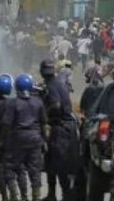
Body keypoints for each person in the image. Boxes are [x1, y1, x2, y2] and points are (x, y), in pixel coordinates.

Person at [3, 74, 49, 201]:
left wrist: (4, 141)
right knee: (35, 171)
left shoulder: (12, 103)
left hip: (17, 140)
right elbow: (44, 123)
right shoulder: (38, 102)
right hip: (35, 140)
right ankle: (36, 196)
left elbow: (7, 124)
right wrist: (45, 140)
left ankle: (17, 196)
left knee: (14, 168)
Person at [39, 59, 80, 201]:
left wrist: (44, 112)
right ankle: (52, 194)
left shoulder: (51, 85)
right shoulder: (59, 83)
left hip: (59, 128)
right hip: (65, 127)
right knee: (51, 162)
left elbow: (56, 105)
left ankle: (66, 195)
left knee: (59, 164)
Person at [0, 74, 29, 201]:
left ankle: (5, 196)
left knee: (1, 172)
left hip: (0, 143)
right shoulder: (15, 103)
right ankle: (24, 196)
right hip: (16, 141)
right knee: (20, 170)